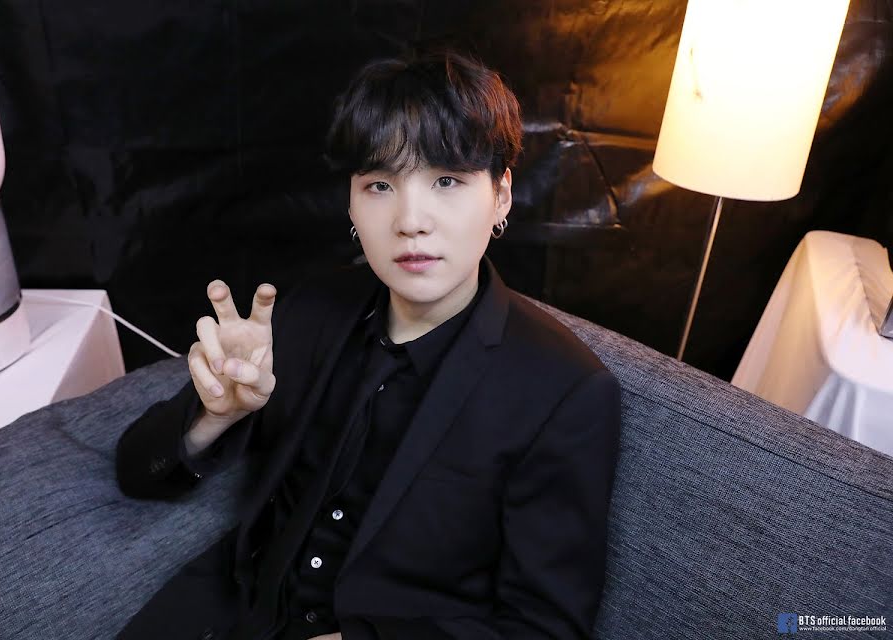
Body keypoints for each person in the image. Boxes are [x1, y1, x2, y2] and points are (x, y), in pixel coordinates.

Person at [114, 48, 621, 640]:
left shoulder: (565, 389)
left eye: (447, 181)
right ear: (352, 204)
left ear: (501, 195)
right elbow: (136, 470)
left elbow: (547, 628)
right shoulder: (311, 310)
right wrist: (213, 417)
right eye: (380, 185)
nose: (410, 221)